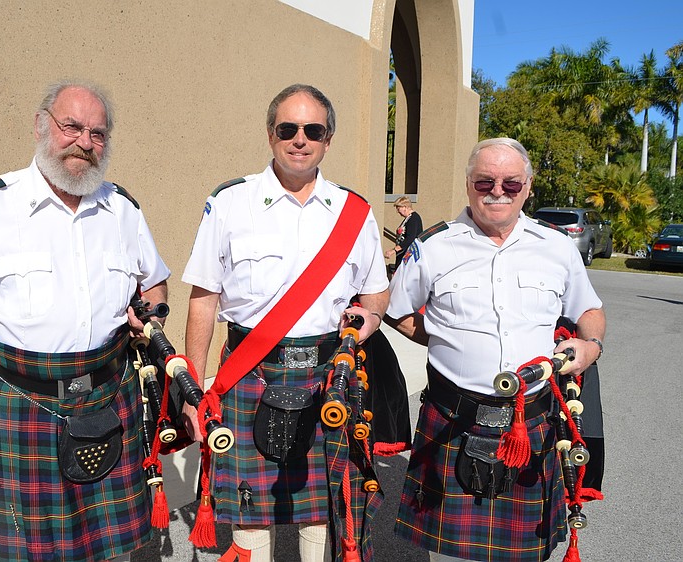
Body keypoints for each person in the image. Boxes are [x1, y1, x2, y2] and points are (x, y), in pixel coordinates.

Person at [0, 81, 170, 562]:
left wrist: (151, 315)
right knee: (21, 553)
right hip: (18, 405)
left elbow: (154, 283)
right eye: (71, 126)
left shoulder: (123, 210)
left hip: (108, 398)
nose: (84, 142)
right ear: (41, 126)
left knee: (108, 552)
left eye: (98, 133)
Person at [182, 84, 389, 562]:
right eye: (288, 129)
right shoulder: (231, 202)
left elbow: (376, 292)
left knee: (321, 515)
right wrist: (194, 390)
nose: (300, 139)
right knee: (251, 515)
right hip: (249, 373)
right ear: (271, 134)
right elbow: (203, 298)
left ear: (328, 139)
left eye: (313, 130)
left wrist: (370, 318)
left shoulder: (354, 212)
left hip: (325, 378)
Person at [384, 137, 606, 562]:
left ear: (528, 185)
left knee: (527, 553)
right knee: (453, 556)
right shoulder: (433, 246)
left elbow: (589, 309)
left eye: (511, 182)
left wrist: (590, 344)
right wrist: (443, 339)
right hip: (454, 417)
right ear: (469, 184)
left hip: (533, 420)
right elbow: (396, 310)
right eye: (485, 182)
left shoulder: (556, 246)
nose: (498, 191)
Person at [384, 196, 423, 271]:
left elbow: (410, 238)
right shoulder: (408, 218)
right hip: (402, 254)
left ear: (405, 207)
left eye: (398, 209)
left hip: (408, 256)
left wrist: (393, 250)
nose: (398, 212)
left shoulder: (414, 218)